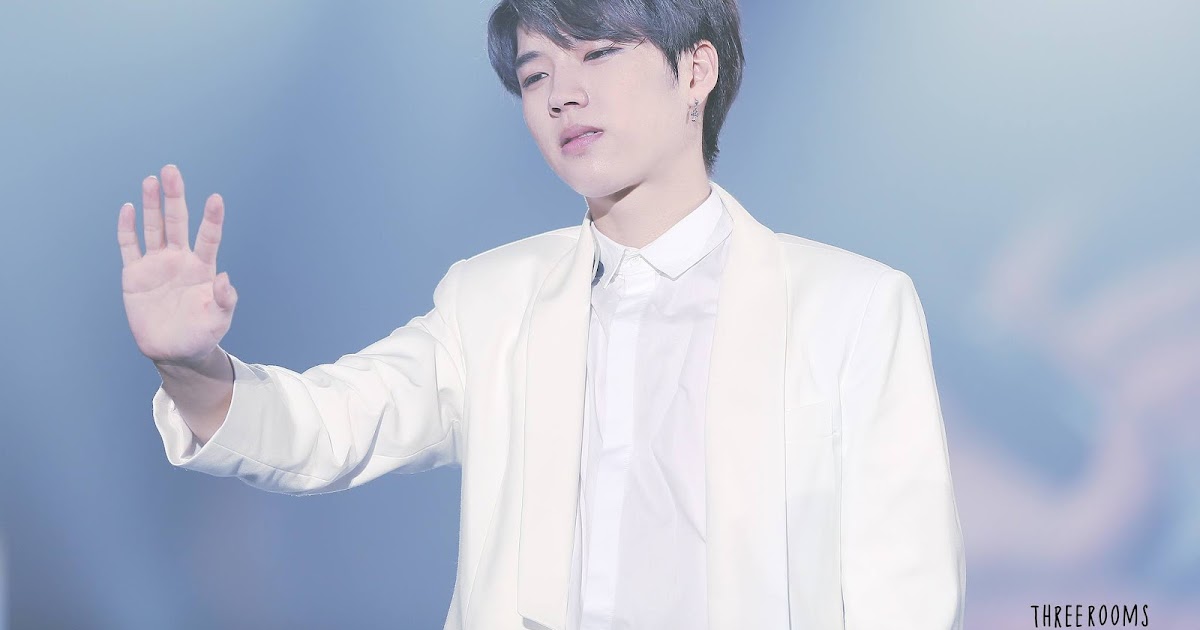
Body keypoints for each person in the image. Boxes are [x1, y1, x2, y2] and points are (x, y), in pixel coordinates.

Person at [117, 0, 966, 628]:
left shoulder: (851, 306)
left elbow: (906, 587)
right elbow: (330, 427)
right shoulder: (490, 299)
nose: (562, 94)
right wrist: (192, 369)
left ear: (696, 71)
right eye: (534, 75)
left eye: (597, 54)